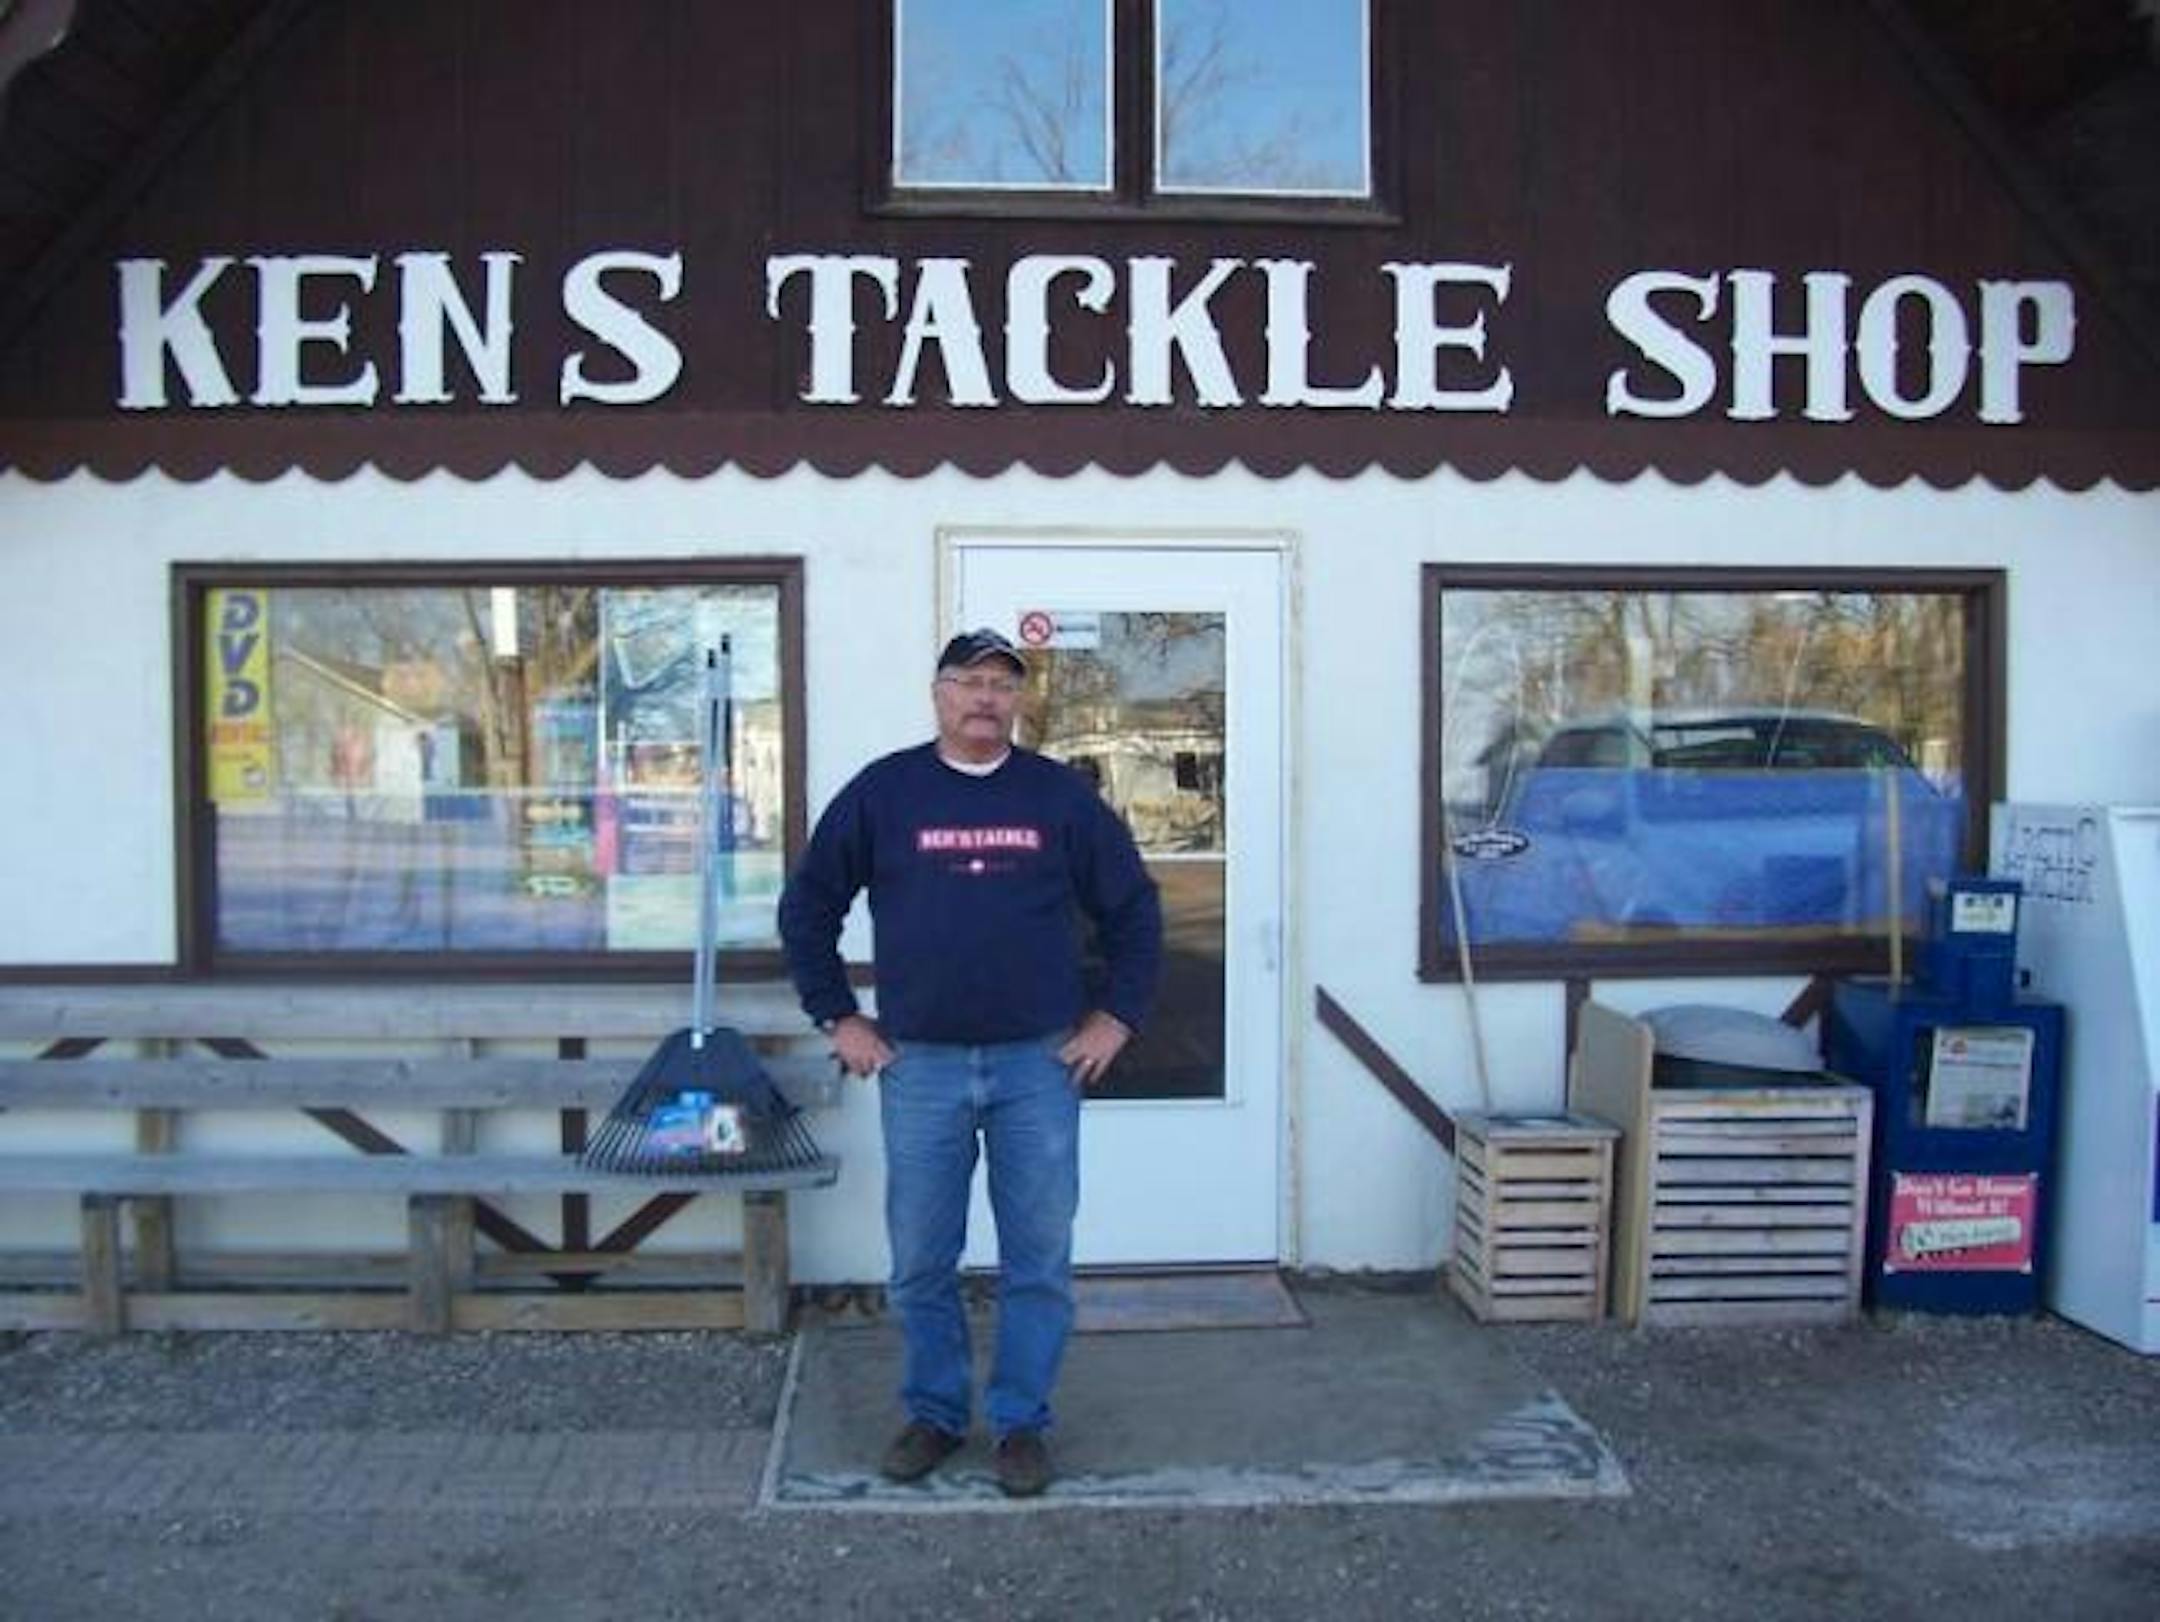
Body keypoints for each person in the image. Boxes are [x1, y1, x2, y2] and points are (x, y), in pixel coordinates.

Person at [777, 627, 1162, 1498]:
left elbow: (1135, 911)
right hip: (922, 1068)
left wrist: (1118, 1018)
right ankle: (936, 1414)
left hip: (1039, 1066)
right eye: (968, 681)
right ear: (937, 693)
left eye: (1000, 683)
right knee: (920, 1258)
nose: (984, 697)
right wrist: (839, 1016)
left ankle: (1021, 1423)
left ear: (1017, 700)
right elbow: (808, 909)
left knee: (1038, 1260)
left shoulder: (1060, 797)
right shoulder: (885, 793)